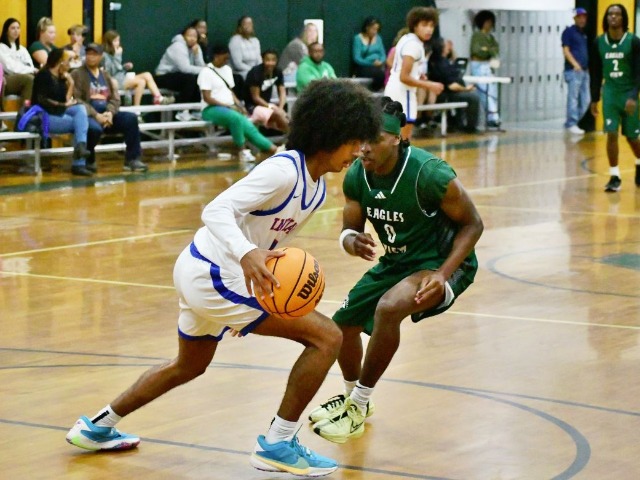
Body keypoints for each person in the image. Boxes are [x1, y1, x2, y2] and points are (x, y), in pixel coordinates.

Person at [65, 78, 382, 478]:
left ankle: (97, 427)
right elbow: (216, 210)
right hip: (212, 274)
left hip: (211, 275)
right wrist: (245, 259)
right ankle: (277, 444)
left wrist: (248, 301)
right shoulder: (282, 171)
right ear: (329, 134)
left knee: (188, 365)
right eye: (353, 140)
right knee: (328, 337)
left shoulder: (315, 189)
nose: (358, 150)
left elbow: (267, 242)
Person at [310, 96, 483, 444]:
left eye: (373, 140)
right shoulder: (357, 175)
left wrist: (443, 274)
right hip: (397, 261)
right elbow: (348, 229)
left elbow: (473, 224)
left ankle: (359, 404)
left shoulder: (430, 174)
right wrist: (351, 241)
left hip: (442, 262)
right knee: (342, 326)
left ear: (397, 138)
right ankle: (352, 400)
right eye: (359, 139)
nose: (363, 148)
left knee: (389, 308)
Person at [72, 43, 148, 173]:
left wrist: (110, 113)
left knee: (130, 119)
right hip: (88, 115)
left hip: (107, 114)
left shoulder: (105, 75)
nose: (90, 57)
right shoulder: (77, 74)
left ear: (100, 56)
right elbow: (77, 99)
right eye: (88, 54)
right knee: (93, 128)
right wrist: (96, 115)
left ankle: (132, 159)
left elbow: (115, 98)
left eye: (94, 54)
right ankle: (89, 159)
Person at [590, 4, 640, 192]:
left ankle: (639, 161)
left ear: (623, 18)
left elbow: (639, 73)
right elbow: (595, 73)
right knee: (611, 133)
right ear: (606, 18)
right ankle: (614, 176)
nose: (613, 17)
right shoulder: (599, 42)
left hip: (629, 94)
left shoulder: (633, 41)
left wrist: (634, 96)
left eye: (617, 14)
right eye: (610, 14)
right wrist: (594, 99)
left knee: (632, 137)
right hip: (610, 93)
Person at [198, 45, 278, 162]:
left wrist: (240, 105)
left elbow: (230, 91)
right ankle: (242, 151)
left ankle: (275, 150)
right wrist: (226, 106)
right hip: (211, 109)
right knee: (235, 118)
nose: (226, 61)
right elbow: (207, 97)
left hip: (230, 108)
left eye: (227, 58)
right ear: (216, 56)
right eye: (224, 58)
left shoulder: (227, 70)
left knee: (249, 126)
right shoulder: (205, 72)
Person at [384, 7, 444, 140]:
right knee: (403, 141)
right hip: (403, 92)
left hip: (394, 89)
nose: (429, 29)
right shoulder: (414, 45)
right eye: (424, 25)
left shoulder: (406, 38)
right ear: (415, 25)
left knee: (393, 139)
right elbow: (404, 77)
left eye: (431, 25)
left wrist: (417, 74)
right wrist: (430, 85)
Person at [32, 48, 91, 176]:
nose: (70, 64)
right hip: (44, 116)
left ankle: (80, 148)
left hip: (58, 112)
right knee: (79, 124)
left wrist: (71, 83)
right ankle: (79, 163)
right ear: (60, 61)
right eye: (68, 60)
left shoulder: (61, 77)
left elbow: (66, 100)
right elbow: (42, 101)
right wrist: (63, 105)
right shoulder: (43, 76)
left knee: (80, 109)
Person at [102, 30, 173, 107]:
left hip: (122, 77)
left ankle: (158, 98)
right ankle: (137, 108)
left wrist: (125, 67)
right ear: (109, 42)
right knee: (141, 82)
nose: (118, 43)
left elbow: (117, 68)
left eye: (118, 40)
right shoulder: (105, 55)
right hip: (115, 81)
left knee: (147, 75)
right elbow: (110, 72)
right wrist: (117, 56)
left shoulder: (116, 52)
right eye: (115, 41)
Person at [428, 38, 480, 133]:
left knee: (464, 95)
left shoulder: (442, 61)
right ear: (442, 48)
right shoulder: (442, 64)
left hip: (448, 92)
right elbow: (452, 86)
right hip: (446, 94)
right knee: (473, 97)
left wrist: (451, 50)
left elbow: (454, 59)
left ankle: (459, 122)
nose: (449, 47)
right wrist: (466, 89)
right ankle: (471, 127)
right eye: (447, 45)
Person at [155, 24, 205, 117]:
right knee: (190, 79)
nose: (192, 39)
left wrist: (197, 54)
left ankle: (196, 110)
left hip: (178, 76)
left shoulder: (196, 47)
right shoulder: (178, 46)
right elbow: (185, 68)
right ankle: (181, 110)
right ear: (183, 36)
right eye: (189, 35)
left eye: (195, 36)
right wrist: (205, 70)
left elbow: (201, 67)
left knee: (198, 78)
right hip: (162, 76)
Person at [243, 48, 289, 133]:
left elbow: (282, 92)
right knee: (278, 116)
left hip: (267, 105)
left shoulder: (278, 71)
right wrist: (272, 107)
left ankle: (289, 135)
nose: (270, 63)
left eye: (273, 60)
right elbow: (256, 98)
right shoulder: (255, 72)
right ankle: (292, 136)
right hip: (253, 107)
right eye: (267, 60)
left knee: (286, 116)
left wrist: (281, 108)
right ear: (262, 59)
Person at [470, 10, 501, 128]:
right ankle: (492, 117)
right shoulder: (477, 36)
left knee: (492, 92)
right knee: (484, 93)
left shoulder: (491, 38)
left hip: (488, 66)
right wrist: (488, 50)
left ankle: (493, 116)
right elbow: (477, 51)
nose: (489, 24)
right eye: (487, 22)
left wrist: (487, 50)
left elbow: (495, 50)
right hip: (478, 66)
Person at [561, 8, 590, 135]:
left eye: (584, 17)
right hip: (574, 71)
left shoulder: (583, 34)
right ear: (575, 18)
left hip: (584, 71)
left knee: (586, 99)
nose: (582, 19)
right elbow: (566, 50)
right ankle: (571, 123)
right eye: (579, 17)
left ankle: (574, 121)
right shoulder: (569, 32)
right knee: (573, 98)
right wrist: (575, 64)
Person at [0, 18, 37, 107]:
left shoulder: (22, 49)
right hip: (6, 78)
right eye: (13, 28)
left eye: (18, 28)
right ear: (6, 31)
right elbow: (10, 67)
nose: (16, 31)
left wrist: (31, 70)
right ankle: (25, 112)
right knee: (29, 79)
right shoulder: (1, 47)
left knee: (40, 78)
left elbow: (30, 65)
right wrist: (30, 70)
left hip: (23, 76)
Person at [352, 16, 386, 91]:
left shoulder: (378, 38)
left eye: (377, 29)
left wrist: (381, 61)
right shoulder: (358, 39)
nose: (375, 32)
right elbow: (357, 58)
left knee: (381, 73)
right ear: (367, 28)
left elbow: (383, 54)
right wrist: (371, 63)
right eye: (373, 29)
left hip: (378, 66)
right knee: (378, 74)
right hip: (364, 66)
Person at [228, 16, 262, 82]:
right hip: (240, 73)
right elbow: (238, 64)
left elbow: (259, 59)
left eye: (250, 24)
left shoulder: (255, 41)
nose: (249, 26)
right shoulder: (235, 40)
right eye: (246, 24)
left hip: (256, 71)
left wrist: (260, 70)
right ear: (240, 27)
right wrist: (254, 71)